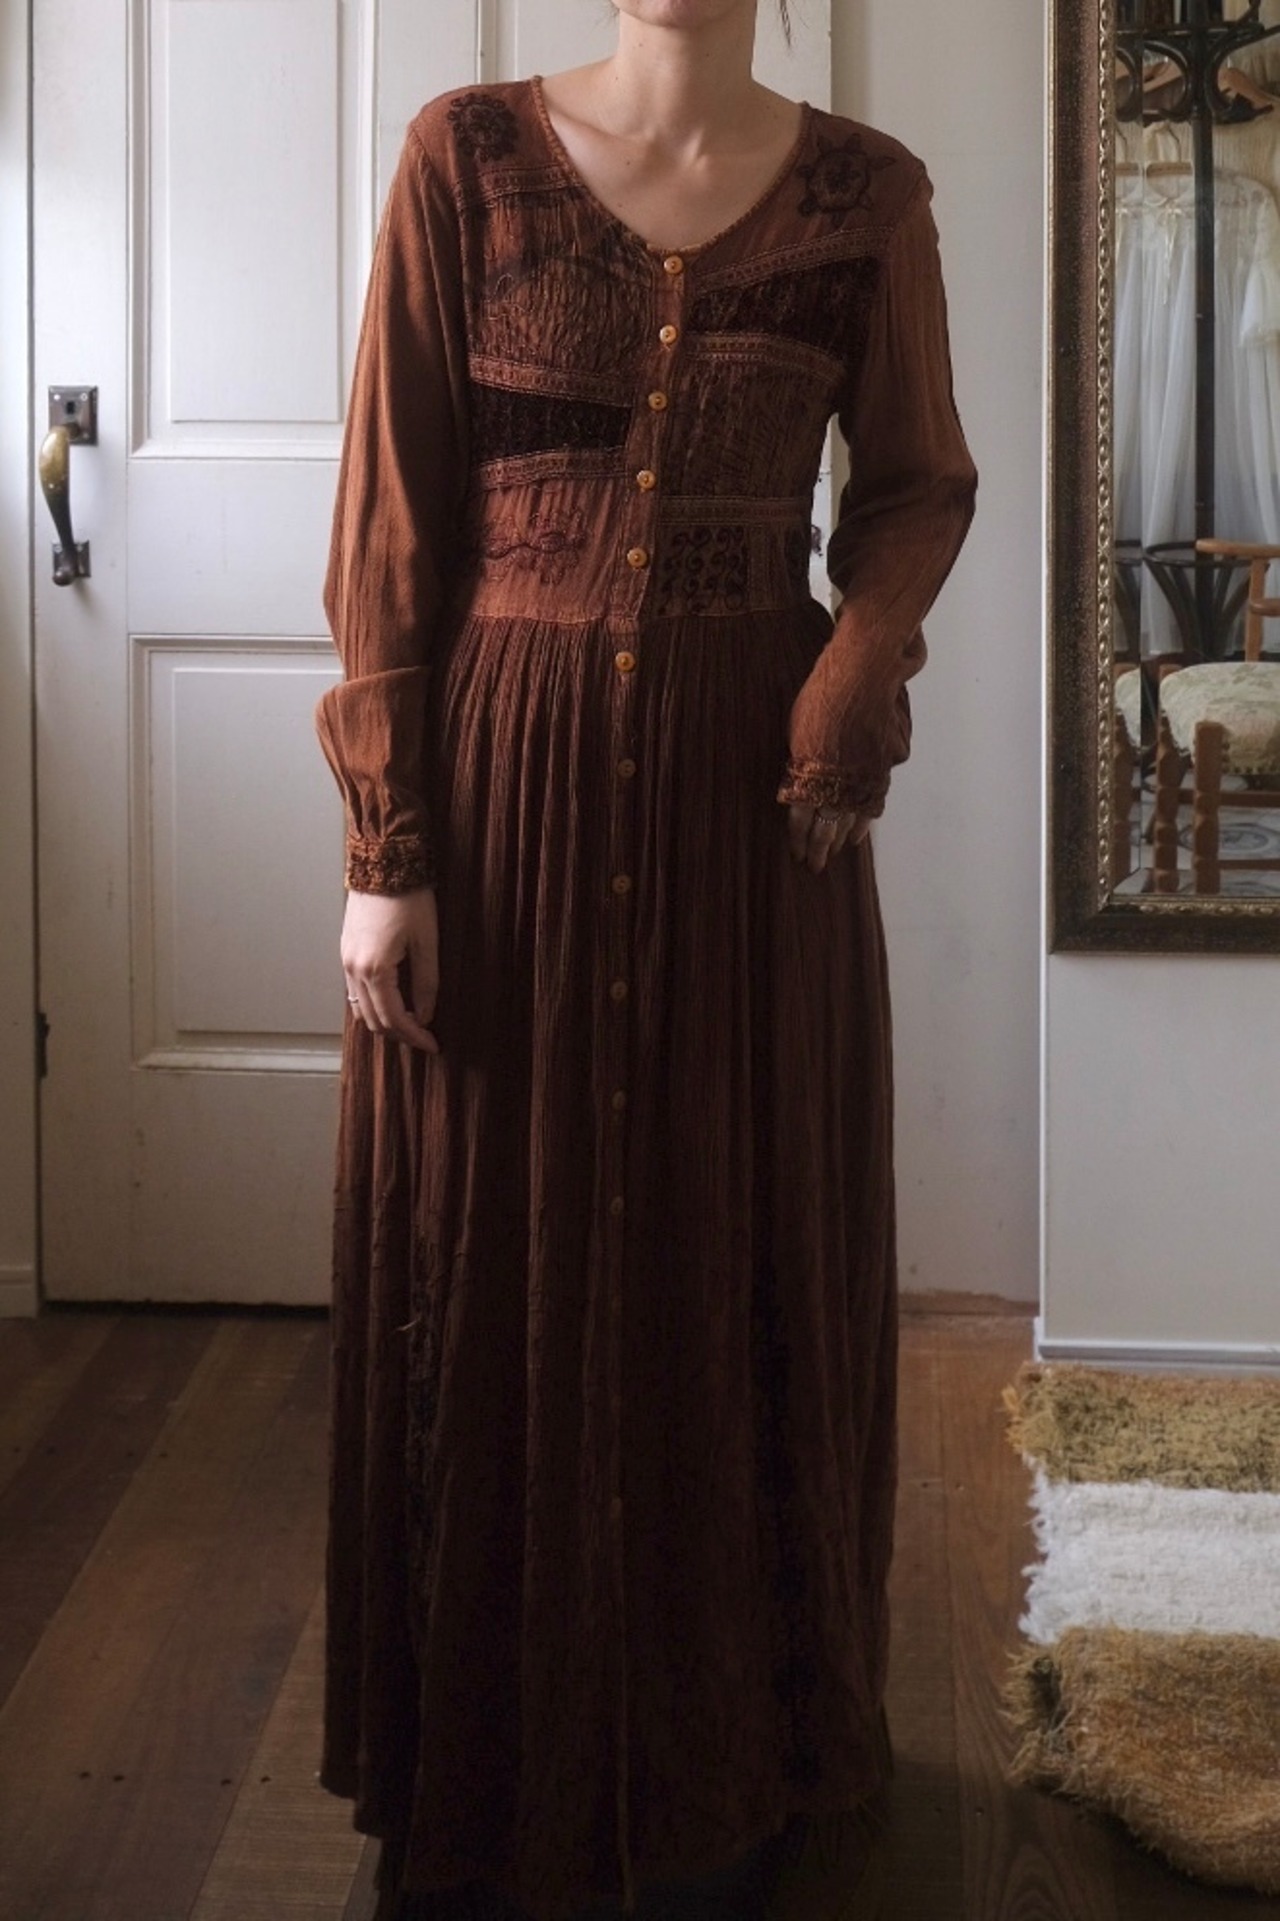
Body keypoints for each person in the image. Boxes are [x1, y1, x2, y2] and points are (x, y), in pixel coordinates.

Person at [316, 1, 977, 1916]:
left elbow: (917, 488)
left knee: (730, 1236)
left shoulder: (867, 198)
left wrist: (850, 677)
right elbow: (392, 513)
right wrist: (389, 848)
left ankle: (730, 1758)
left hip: (749, 818)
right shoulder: (463, 163)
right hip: (496, 807)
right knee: (489, 1251)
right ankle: (486, 1765)